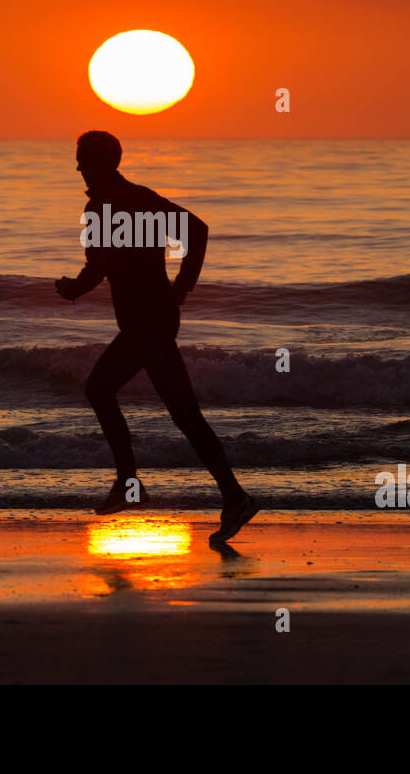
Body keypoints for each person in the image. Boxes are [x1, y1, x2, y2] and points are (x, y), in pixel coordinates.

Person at [55, 130, 260, 544]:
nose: (78, 168)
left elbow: (197, 231)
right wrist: (75, 288)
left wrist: (181, 288)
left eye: (83, 160)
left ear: (101, 163)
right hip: (141, 324)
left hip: (151, 323)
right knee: (137, 400)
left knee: (155, 405)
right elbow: (100, 264)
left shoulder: (135, 200)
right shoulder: (102, 206)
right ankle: (146, 487)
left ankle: (152, 489)